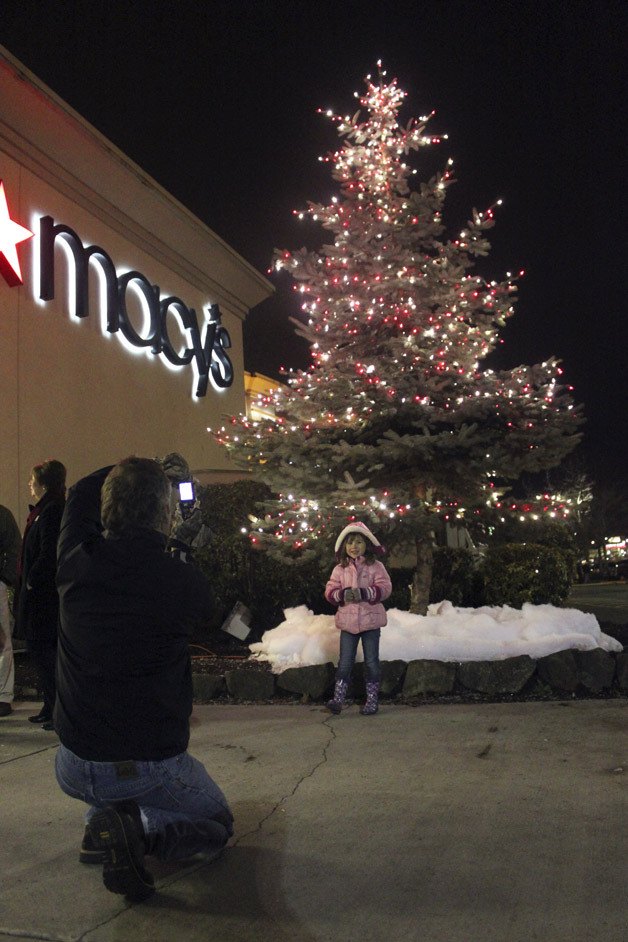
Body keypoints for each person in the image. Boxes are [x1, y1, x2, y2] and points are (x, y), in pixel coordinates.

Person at [54, 457, 233, 902]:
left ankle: (101, 825)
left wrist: (130, 462)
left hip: (73, 763)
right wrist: (178, 550)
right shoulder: (179, 580)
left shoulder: (75, 560)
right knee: (217, 825)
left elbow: (78, 492)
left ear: (106, 506)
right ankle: (138, 830)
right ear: (165, 514)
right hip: (145, 765)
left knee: (110, 779)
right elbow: (207, 609)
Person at [14, 459, 66, 730]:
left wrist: (33, 580)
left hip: (43, 597)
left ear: (44, 484)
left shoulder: (52, 509)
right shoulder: (44, 509)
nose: (30, 485)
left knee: (44, 650)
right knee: (41, 651)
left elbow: (48, 552)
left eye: (33, 481)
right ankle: (50, 704)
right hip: (37, 594)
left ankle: (57, 708)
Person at [324, 522, 392, 716]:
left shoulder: (376, 566)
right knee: (345, 661)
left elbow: (385, 587)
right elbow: (330, 590)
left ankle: (372, 700)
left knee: (371, 661)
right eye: (350, 542)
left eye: (359, 542)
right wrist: (341, 594)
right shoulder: (340, 569)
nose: (354, 546)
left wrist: (366, 592)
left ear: (367, 544)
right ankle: (338, 699)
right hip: (348, 623)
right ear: (344, 546)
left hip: (371, 622)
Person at [0, 503, 21, 717]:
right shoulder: (3, 514)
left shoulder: (2, 515)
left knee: (3, 641)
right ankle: (3, 695)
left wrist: (5, 578)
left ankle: (3, 696)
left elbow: (14, 547)